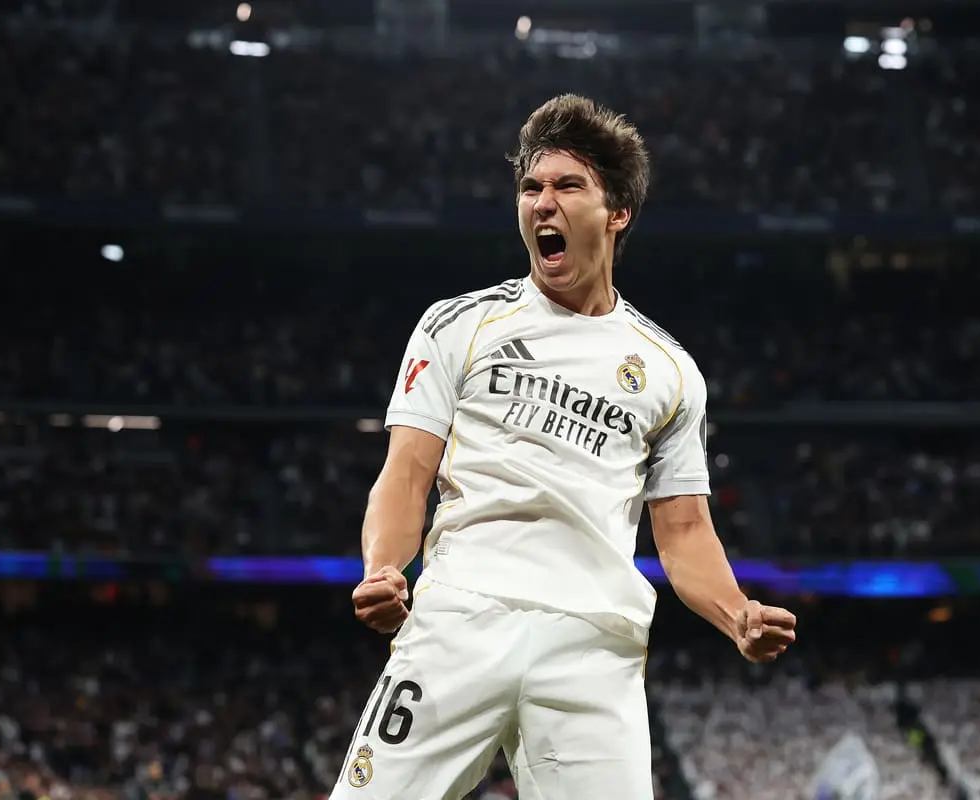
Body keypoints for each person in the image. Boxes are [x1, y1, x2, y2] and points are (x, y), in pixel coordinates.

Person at [330, 94, 797, 800]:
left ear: (617, 212)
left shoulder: (669, 371)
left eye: (567, 185)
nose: (542, 203)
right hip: (461, 616)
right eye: (530, 187)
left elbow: (684, 532)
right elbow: (406, 473)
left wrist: (738, 614)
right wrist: (384, 566)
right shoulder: (458, 325)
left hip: (593, 643)